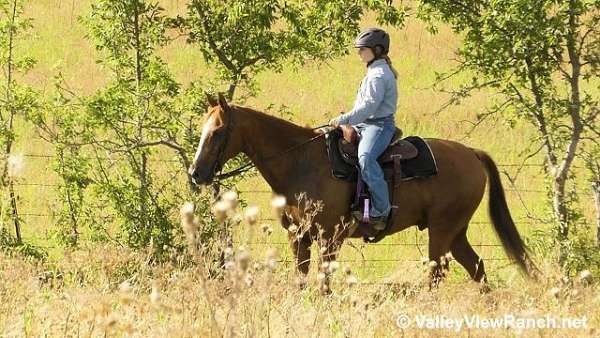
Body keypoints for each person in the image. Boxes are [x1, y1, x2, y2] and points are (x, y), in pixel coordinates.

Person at [329, 27, 399, 230]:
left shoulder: (378, 75)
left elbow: (368, 108)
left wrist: (344, 118)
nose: (359, 52)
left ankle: (381, 209)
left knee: (366, 158)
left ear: (376, 50)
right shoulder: (374, 70)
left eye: (363, 49)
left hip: (378, 126)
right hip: (365, 123)